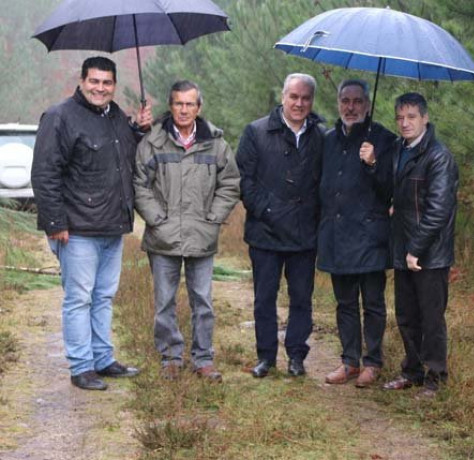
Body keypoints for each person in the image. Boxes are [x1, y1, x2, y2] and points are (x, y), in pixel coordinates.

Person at [31, 56, 152, 391]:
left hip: (112, 226)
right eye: (95, 81)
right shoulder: (59, 117)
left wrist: (138, 129)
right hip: (76, 229)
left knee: (103, 297)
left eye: (107, 82)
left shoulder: (115, 117)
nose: (101, 88)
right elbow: (44, 174)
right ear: (82, 81)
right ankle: (82, 366)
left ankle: (103, 359)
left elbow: (123, 157)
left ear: (114, 85)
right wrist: (55, 222)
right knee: (79, 298)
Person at [133, 80, 240, 382]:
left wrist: (213, 218)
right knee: (165, 300)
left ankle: (203, 359)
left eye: (189, 104)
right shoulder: (152, 142)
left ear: (199, 108)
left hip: (202, 237)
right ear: (171, 106)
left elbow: (230, 183)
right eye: (178, 103)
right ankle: (170, 357)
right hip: (162, 238)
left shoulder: (216, 144)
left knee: (203, 301)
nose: (183, 109)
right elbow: (139, 184)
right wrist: (156, 219)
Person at [236, 73, 325, 378]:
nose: (299, 103)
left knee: (301, 298)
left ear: (311, 101)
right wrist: (271, 211)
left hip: (304, 235)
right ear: (283, 96)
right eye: (293, 97)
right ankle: (266, 357)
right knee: (264, 299)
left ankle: (297, 356)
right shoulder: (256, 132)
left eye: (305, 98)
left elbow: (325, 185)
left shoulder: (321, 137)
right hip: (266, 233)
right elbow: (245, 183)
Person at [319, 80, 397, 388]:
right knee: (345, 303)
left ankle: (373, 362)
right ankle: (349, 361)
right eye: (345, 100)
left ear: (366, 104)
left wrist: (373, 163)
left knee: (373, 303)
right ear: (338, 103)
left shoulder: (384, 140)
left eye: (357, 101)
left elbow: (391, 188)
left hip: (370, 237)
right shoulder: (327, 140)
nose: (350, 107)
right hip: (337, 235)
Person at [382, 93, 459, 398]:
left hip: (430, 253)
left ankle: (436, 378)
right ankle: (411, 371)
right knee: (406, 315)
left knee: (431, 317)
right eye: (400, 117)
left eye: (411, 117)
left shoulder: (439, 157)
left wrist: (417, 249)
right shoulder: (400, 150)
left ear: (425, 118)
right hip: (404, 248)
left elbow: (438, 209)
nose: (405, 123)